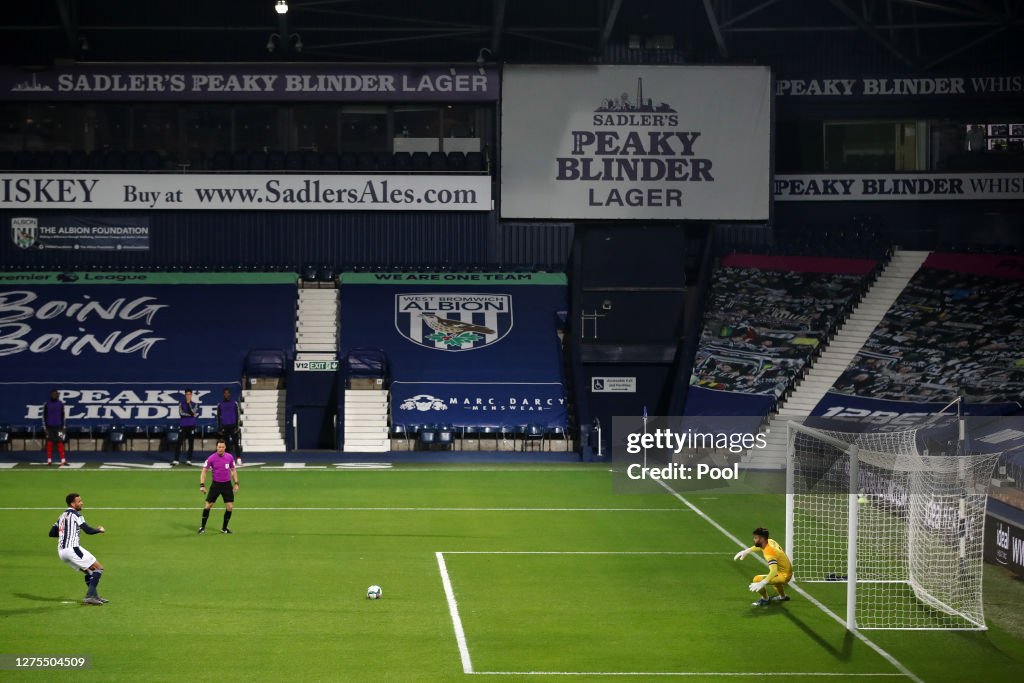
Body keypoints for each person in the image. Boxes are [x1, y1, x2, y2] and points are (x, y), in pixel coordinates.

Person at [49, 492, 107, 605]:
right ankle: (89, 597)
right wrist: (99, 530)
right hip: (73, 549)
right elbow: (88, 530)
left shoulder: (61, 516)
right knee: (98, 568)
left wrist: (64, 533)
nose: (82, 503)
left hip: (62, 552)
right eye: (79, 501)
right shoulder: (76, 515)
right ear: (72, 504)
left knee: (89, 572)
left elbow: (51, 533)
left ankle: (94, 596)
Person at [734, 526, 793, 606]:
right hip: (785, 571)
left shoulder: (769, 552)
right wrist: (747, 551)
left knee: (757, 579)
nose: (754, 539)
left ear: (762, 539)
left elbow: (773, 571)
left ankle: (765, 599)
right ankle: (783, 597)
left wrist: (762, 582)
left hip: (784, 575)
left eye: (755, 538)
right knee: (776, 583)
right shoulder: (770, 541)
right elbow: (759, 547)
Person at [198, 440, 238, 534]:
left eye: (222, 447)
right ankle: (202, 527)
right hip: (216, 485)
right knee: (208, 506)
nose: (221, 449)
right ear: (216, 447)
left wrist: (236, 483)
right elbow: (204, 471)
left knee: (229, 507)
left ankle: (224, 528)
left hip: (227, 485)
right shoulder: (211, 458)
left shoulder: (229, 457)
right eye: (219, 447)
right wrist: (202, 485)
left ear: (225, 447)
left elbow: (233, 470)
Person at [216, 388, 242, 465]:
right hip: (224, 427)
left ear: (229, 394)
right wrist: (219, 428)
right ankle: (228, 460)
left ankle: (238, 458)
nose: (226, 394)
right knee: (225, 444)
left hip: (233, 426)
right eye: (225, 393)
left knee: (236, 443)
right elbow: (218, 417)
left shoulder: (235, 403)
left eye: (228, 393)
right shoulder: (220, 404)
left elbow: (238, 415)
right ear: (223, 394)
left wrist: (237, 427)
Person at [173, 389, 198, 466]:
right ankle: (176, 459)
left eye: (189, 394)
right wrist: (191, 415)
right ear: (185, 395)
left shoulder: (195, 404)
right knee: (179, 443)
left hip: (191, 426)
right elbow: (181, 413)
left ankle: (189, 460)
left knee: (191, 444)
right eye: (187, 394)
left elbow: (193, 411)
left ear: (191, 395)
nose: (188, 396)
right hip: (183, 425)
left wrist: (188, 405)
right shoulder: (181, 404)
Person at [43, 389, 67, 466]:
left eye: (55, 394)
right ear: (50, 395)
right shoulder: (46, 404)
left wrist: (63, 427)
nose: (54, 395)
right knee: (49, 443)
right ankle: (49, 461)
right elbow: (44, 417)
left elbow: (63, 416)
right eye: (52, 394)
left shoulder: (61, 404)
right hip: (49, 427)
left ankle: (63, 461)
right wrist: (45, 428)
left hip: (59, 427)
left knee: (60, 442)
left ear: (58, 395)